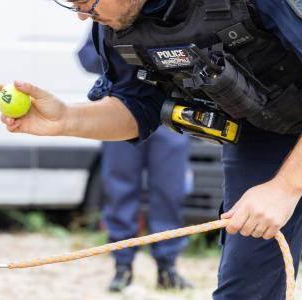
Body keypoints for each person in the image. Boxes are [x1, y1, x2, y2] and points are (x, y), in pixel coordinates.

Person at [0, 0, 302, 298]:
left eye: (87, 1)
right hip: (270, 130)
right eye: (73, 4)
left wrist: (284, 188)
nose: (83, 15)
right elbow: (139, 106)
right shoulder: (118, 24)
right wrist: (66, 119)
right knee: (246, 289)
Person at [78, 32, 193, 291]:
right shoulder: (111, 13)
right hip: (120, 109)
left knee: (169, 190)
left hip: (169, 113)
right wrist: (119, 65)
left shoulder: (170, 11)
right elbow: (85, 56)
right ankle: (122, 268)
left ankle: (168, 268)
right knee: (119, 188)